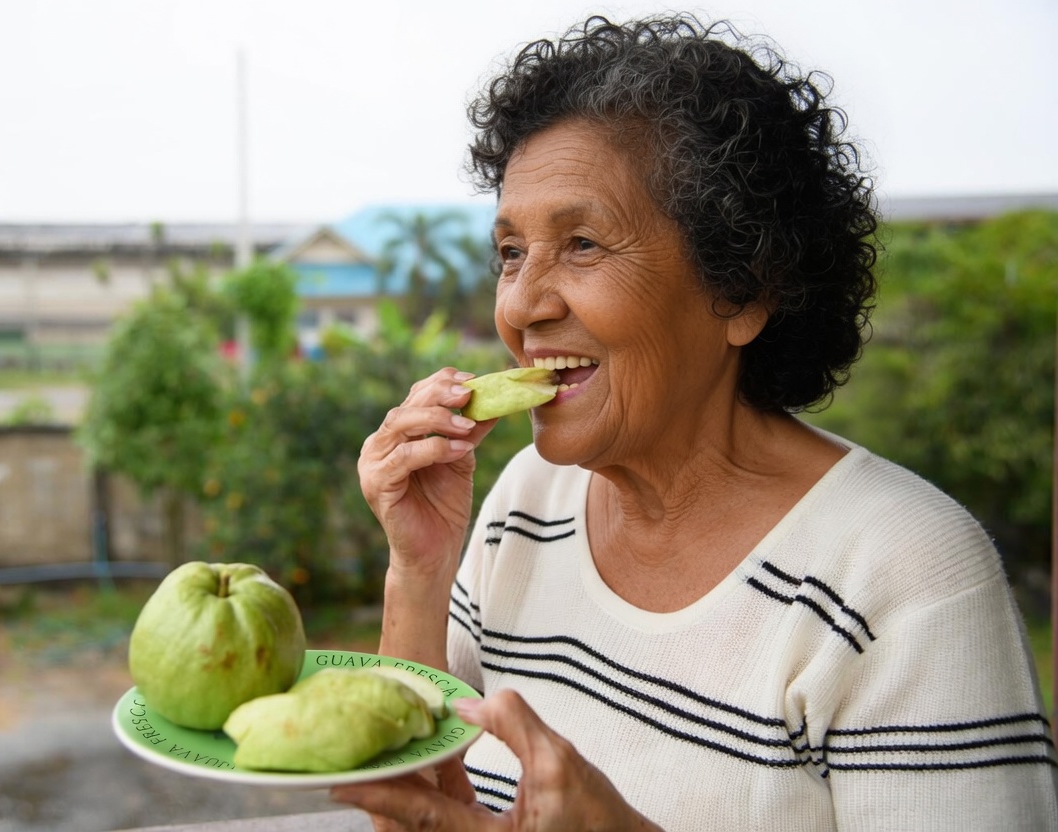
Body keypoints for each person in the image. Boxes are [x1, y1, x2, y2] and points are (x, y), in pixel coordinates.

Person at [334, 12, 1058, 832]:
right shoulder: (526, 503)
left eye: (581, 244)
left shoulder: (904, 579)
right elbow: (410, 812)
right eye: (510, 252)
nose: (522, 305)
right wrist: (418, 573)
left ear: (742, 291)